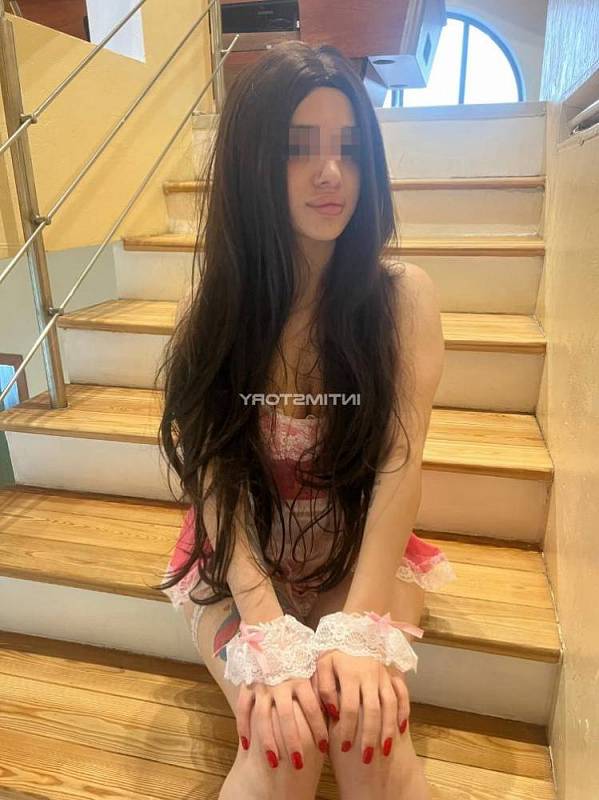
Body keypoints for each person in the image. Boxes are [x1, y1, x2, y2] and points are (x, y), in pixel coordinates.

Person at [153, 40, 456, 800]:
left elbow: (400, 463)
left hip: (358, 544)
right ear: (253, 164)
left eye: (348, 147)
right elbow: (215, 475)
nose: (330, 171)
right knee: (282, 737)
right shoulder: (212, 310)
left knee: (363, 726)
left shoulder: (401, 299)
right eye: (298, 148)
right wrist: (262, 621)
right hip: (238, 552)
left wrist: (357, 629)